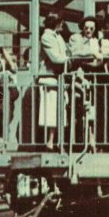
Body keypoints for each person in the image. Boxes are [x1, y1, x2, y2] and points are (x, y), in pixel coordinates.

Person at [39, 13, 68, 150]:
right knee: (50, 112)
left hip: (58, 79)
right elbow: (56, 58)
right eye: (60, 22)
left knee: (58, 111)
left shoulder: (58, 37)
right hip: (49, 79)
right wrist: (71, 59)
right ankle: (50, 141)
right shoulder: (46, 37)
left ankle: (55, 141)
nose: (62, 24)